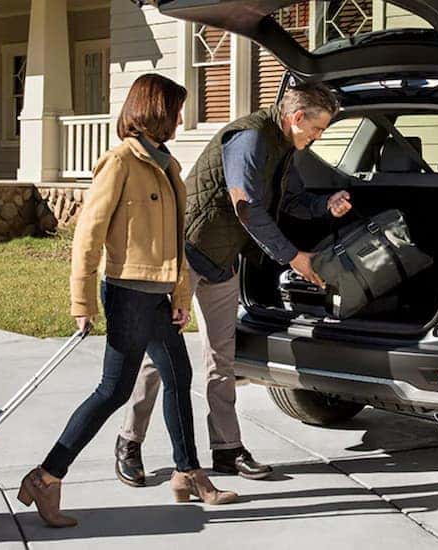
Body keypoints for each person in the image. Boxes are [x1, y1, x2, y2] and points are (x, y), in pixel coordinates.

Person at [17, 74, 237, 529]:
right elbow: (88, 235)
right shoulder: (119, 162)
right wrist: (82, 302)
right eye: (176, 110)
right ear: (156, 111)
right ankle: (47, 476)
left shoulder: (167, 165)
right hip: (128, 295)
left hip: (158, 299)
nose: (181, 119)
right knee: (113, 391)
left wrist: (179, 295)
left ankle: (187, 472)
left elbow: (175, 241)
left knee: (179, 377)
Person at [114, 82, 351, 485]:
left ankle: (227, 449)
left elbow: (290, 201)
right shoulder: (250, 138)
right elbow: (247, 208)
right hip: (188, 253)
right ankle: (129, 441)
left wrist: (326, 206)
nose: (318, 137)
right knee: (159, 358)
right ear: (297, 118)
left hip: (222, 261)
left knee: (221, 359)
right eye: (317, 128)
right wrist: (293, 257)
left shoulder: (284, 147)